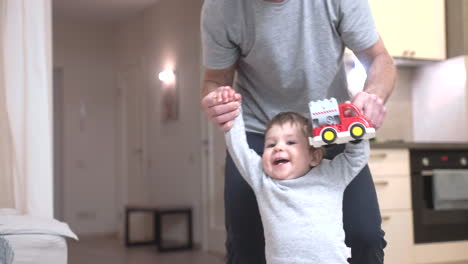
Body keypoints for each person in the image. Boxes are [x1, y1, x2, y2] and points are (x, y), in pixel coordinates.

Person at [200, 0, 396, 263]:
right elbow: (215, 79)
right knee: (247, 245)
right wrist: (217, 100)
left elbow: (379, 58)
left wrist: (373, 96)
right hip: (262, 132)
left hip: (329, 127)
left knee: (365, 237)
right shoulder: (221, 7)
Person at [215, 87, 370, 263]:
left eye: (290, 142)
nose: (279, 148)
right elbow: (239, 149)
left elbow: (356, 158)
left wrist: (356, 133)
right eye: (271, 144)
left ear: (314, 155)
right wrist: (232, 109)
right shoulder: (263, 180)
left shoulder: (331, 175)